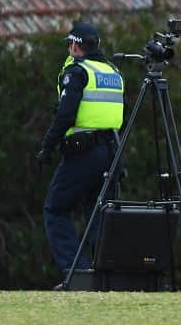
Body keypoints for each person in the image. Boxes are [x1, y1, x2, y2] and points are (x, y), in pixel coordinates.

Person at [37, 21, 124, 280]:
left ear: (75, 45)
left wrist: (47, 147)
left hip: (83, 152)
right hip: (112, 151)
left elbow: (65, 115)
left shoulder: (77, 72)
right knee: (98, 214)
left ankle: (76, 272)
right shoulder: (113, 72)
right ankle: (105, 274)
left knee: (55, 208)